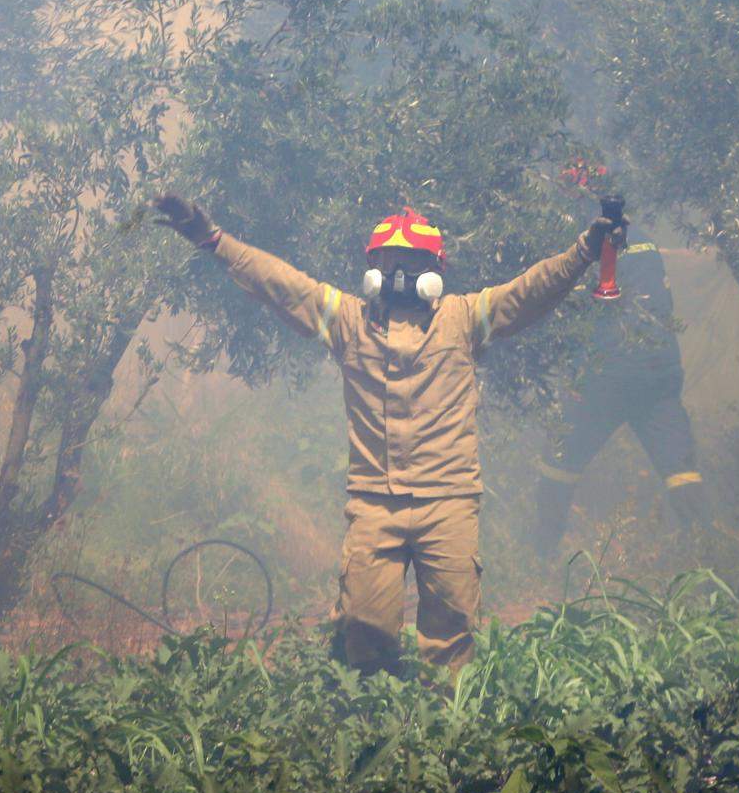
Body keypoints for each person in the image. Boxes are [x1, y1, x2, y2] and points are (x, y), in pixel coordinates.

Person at [155, 195, 618, 676]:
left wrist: (586, 250)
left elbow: (531, 291)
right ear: (372, 266)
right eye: (391, 262)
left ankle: (448, 736)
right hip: (375, 504)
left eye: (413, 263)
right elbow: (280, 285)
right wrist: (215, 242)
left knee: (452, 640)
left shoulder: (463, 318)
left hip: (449, 502)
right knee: (366, 632)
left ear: (435, 269)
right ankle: (372, 727)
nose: (401, 274)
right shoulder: (347, 320)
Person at [532, 222, 706, 561]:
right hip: (657, 379)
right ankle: (710, 562)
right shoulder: (644, 240)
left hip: (605, 383)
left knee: (559, 465)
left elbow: (576, 313)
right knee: (681, 471)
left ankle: (540, 556)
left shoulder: (586, 249)